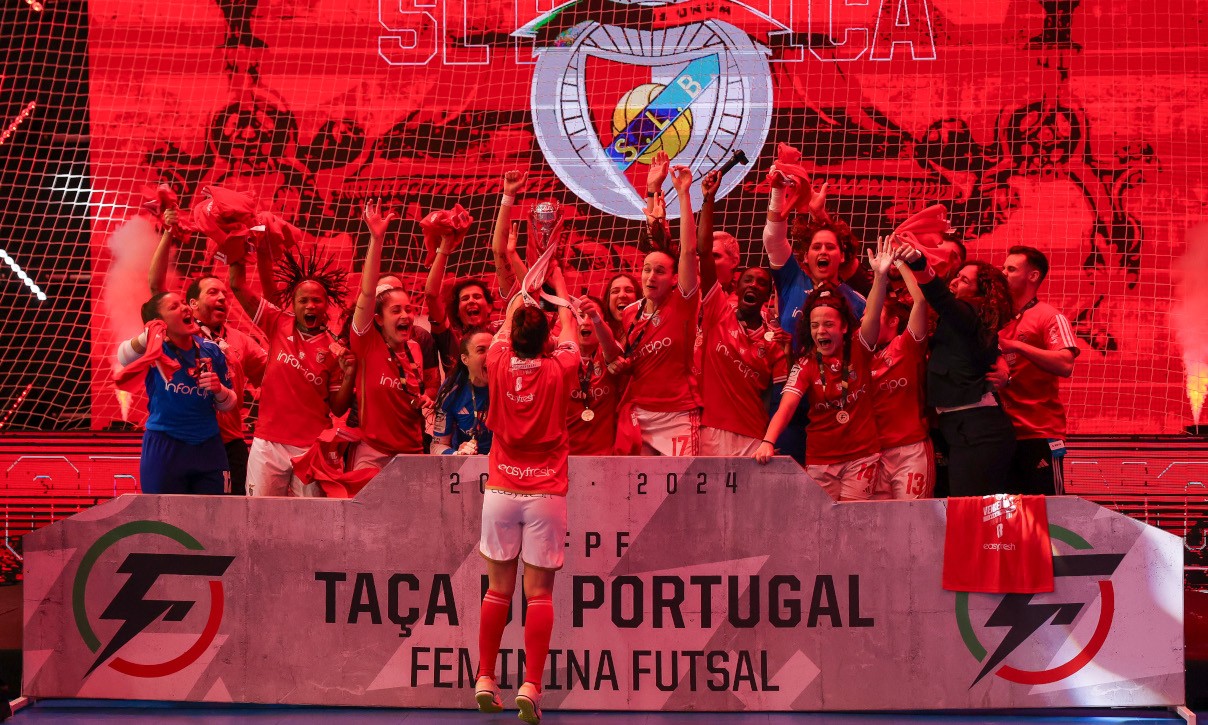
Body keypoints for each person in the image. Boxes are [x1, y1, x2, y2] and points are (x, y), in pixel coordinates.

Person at [474, 264, 579, 724]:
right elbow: (572, 319)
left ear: (512, 336)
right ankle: (531, 688)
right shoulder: (561, 366)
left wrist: (526, 284)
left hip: (500, 489)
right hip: (545, 494)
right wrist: (558, 285)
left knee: (498, 590)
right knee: (538, 595)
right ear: (548, 341)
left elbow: (508, 318)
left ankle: (484, 678)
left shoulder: (495, 359)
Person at [754, 238, 894, 501]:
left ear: (843, 327)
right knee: (822, 529)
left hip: (861, 457)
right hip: (820, 460)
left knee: (852, 524)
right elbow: (786, 406)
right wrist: (768, 441)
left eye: (829, 324)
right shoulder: (806, 363)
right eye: (815, 326)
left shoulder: (859, 346)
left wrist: (880, 276)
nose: (821, 331)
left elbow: (873, 314)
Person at [149, 207, 267, 495]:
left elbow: (273, 374)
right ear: (192, 304)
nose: (222, 298)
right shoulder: (177, 333)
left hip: (229, 443)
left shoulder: (242, 341)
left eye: (225, 294)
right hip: (180, 440)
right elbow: (156, 286)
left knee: (229, 521)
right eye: (212, 293)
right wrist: (167, 233)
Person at [229, 244, 356, 496]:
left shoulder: (334, 349)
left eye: (316, 300)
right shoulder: (277, 322)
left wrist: (349, 374)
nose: (310, 305)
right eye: (303, 300)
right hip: (268, 444)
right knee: (258, 517)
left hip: (311, 447)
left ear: (326, 305)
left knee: (311, 523)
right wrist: (235, 247)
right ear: (294, 304)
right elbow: (237, 286)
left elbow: (338, 408)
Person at [898, 245, 1017, 496]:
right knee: (964, 507)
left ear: (980, 292)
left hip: (979, 430)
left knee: (971, 509)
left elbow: (939, 297)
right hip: (960, 427)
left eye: (964, 280)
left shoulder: (971, 313)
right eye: (957, 276)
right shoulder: (963, 323)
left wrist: (918, 262)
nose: (955, 283)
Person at [696, 170, 789, 455]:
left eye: (763, 283)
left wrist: (770, 441)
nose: (755, 285)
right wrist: (708, 200)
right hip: (710, 430)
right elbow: (701, 252)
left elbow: (779, 397)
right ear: (738, 285)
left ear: (767, 294)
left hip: (753, 436)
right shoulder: (717, 311)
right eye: (749, 279)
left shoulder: (774, 340)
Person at [617, 156, 701, 455]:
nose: (651, 276)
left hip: (677, 415)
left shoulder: (683, 302)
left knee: (679, 498)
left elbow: (688, 250)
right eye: (646, 269)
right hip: (639, 414)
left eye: (660, 271)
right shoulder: (629, 313)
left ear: (674, 278)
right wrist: (652, 188)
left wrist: (683, 193)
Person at [117, 292, 238, 494]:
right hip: (164, 446)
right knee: (163, 522)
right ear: (160, 322)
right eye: (174, 307)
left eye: (183, 303)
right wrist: (150, 334)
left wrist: (219, 389)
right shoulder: (155, 350)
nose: (185, 308)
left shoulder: (211, 350)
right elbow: (123, 356)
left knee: (216, 519)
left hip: (208, 446)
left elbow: (229, 404)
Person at [345, 201, 434, 471]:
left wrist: (425, 399)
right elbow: (368, 293)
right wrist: (376, 238)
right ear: (378, 319)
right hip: (372, 453)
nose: (405, 315)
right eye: (396, 310)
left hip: (412, 455)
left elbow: (417, 392)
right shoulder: (366, 343)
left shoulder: (414, 348)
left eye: (408, 309)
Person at [999, 245, 1079, 495]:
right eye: (1003, 267)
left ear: (1032, 276)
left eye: (1011, 269)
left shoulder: (1049, 316)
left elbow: (1065, 364)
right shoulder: (996, 317)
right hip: (1001, 434)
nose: (1003, 273)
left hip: (1040, 432)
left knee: (1048, 512)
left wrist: (1017, 346)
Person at [869, 265, 934, 499]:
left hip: (910, 450)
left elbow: (920, 301)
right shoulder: (860, 354)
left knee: (912, 521)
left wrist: (901, 265)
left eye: (876, 316)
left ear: (893, 321)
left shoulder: (906, 345)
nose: (868, 321)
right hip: (873, 454)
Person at [566, 297, 624, 455]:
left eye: (591, 316)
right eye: (580, 316)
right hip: (565, 454)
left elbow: (610, 348)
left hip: (603, 455)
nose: (585, 322)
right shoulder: (562, 353)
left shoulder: (609, 352)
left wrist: (596, 318)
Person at [431, 329, 493, 455]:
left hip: (504, 464)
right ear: (465, 359)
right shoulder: (451, 390)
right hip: (466, 465)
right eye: (481, 350)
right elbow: (437, 446)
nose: (490, 356)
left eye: (492, 349)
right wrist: (457, 455)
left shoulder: (509, 385)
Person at [603, 272, 638, 340]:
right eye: (615, 291)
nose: (622, 295)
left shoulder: (650, 330)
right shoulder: (598, 336)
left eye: (628, 290)